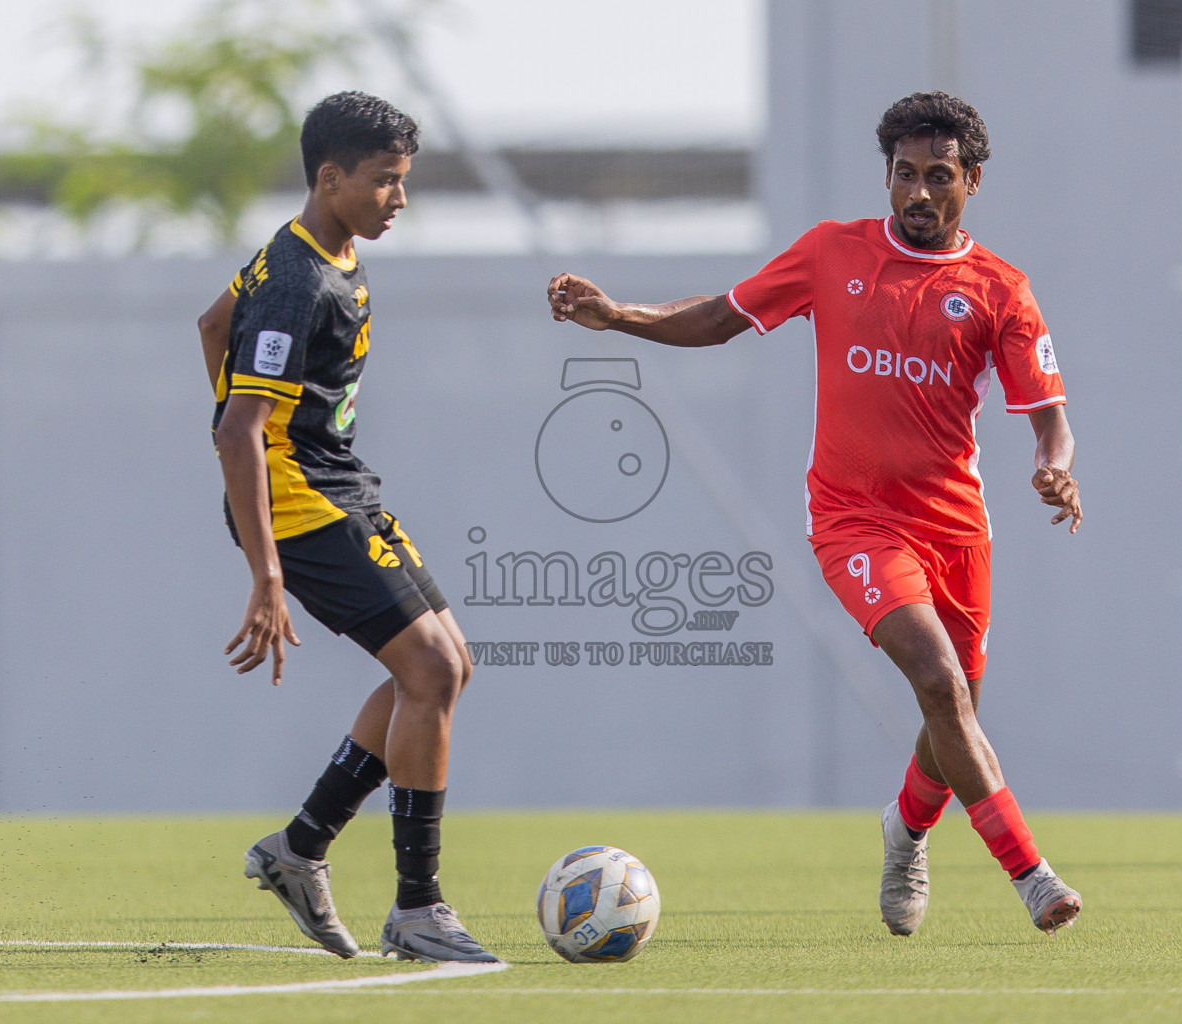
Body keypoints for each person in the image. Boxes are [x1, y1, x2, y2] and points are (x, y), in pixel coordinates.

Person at [548, 91, 1084, 936]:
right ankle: (1031, 875)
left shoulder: (1000, 290)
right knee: (939, 684)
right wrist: (619, 317)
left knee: (955, 711)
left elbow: (1048, 415)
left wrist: (1056, 467)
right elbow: (719, 317)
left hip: (957, 529)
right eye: (903, 174)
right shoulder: (833, 252)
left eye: (937, 176)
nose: (917, 192)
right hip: (854, 522)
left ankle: (905, 830)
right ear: (887, 175)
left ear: (972, 181)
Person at [197, 91, 496, 962]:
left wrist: (258, 426)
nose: (399, 198)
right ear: (330, 178)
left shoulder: (324, 250)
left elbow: (213, 323)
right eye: (385, 181)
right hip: (299, 502)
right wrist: (267, 571)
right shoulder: (298, 280)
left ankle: (299, 849)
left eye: (403, 179)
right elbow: (238, 430)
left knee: (446, 667)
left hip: (337, 485)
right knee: (430, 669)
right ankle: (418, 910)